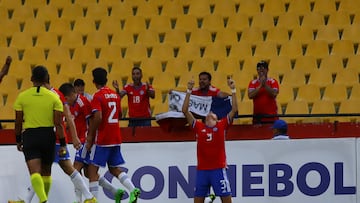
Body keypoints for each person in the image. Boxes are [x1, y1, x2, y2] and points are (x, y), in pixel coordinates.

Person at [24, 77, 97, 203]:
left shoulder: (53, 95)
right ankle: (89, 197)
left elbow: (68, 116)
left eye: (35, 82)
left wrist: (74, 138)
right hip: (52, 139)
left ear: (42, 82)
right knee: (45, 171)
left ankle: (89, 197)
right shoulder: (54, 94)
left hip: (56, 139)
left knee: (67, 168)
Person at [59, 83, 124, 203]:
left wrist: (90, 140)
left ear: (72, 94)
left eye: (66, 99)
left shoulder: (82, 103)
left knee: (75, 169)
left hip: (85, 141)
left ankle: (78, 200)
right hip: (82, 141)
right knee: (89, 174)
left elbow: (93, 120)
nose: (66, 102)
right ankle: (115, 191)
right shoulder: (71, 105)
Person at [86, 67, 141, 202]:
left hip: (103, 139)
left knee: (91, 172)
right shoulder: (114, 95)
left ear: (93, 81)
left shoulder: (97, 96)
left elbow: (98, 117)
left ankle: (94, 200)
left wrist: (90, 136)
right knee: (114, 168)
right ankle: (133, 189)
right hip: (115, 137)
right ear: (106, 80)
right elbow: (120, 115)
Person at [13, 66, 65, 203]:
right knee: (47, 173)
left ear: (31, 79)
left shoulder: (22, 97)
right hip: (48, 135)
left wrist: (18, 140)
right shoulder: (54, 97)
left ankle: (42, 199)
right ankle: (44, 199)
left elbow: (18, 122)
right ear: (46, 78)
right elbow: (58, 124)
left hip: (30, 135)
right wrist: (63, 144)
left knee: (35, 173)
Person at [182, 77, 237, 203]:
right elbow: (185, 110)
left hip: (218, 169)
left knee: (226, 199)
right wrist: (189, 91)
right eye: (208, 114)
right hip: (202, 171)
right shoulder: (199, 127)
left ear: (217, 119)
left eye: (212, 114)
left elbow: (234, 110)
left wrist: (233, 90)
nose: (209, 114)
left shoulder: (222, 125)